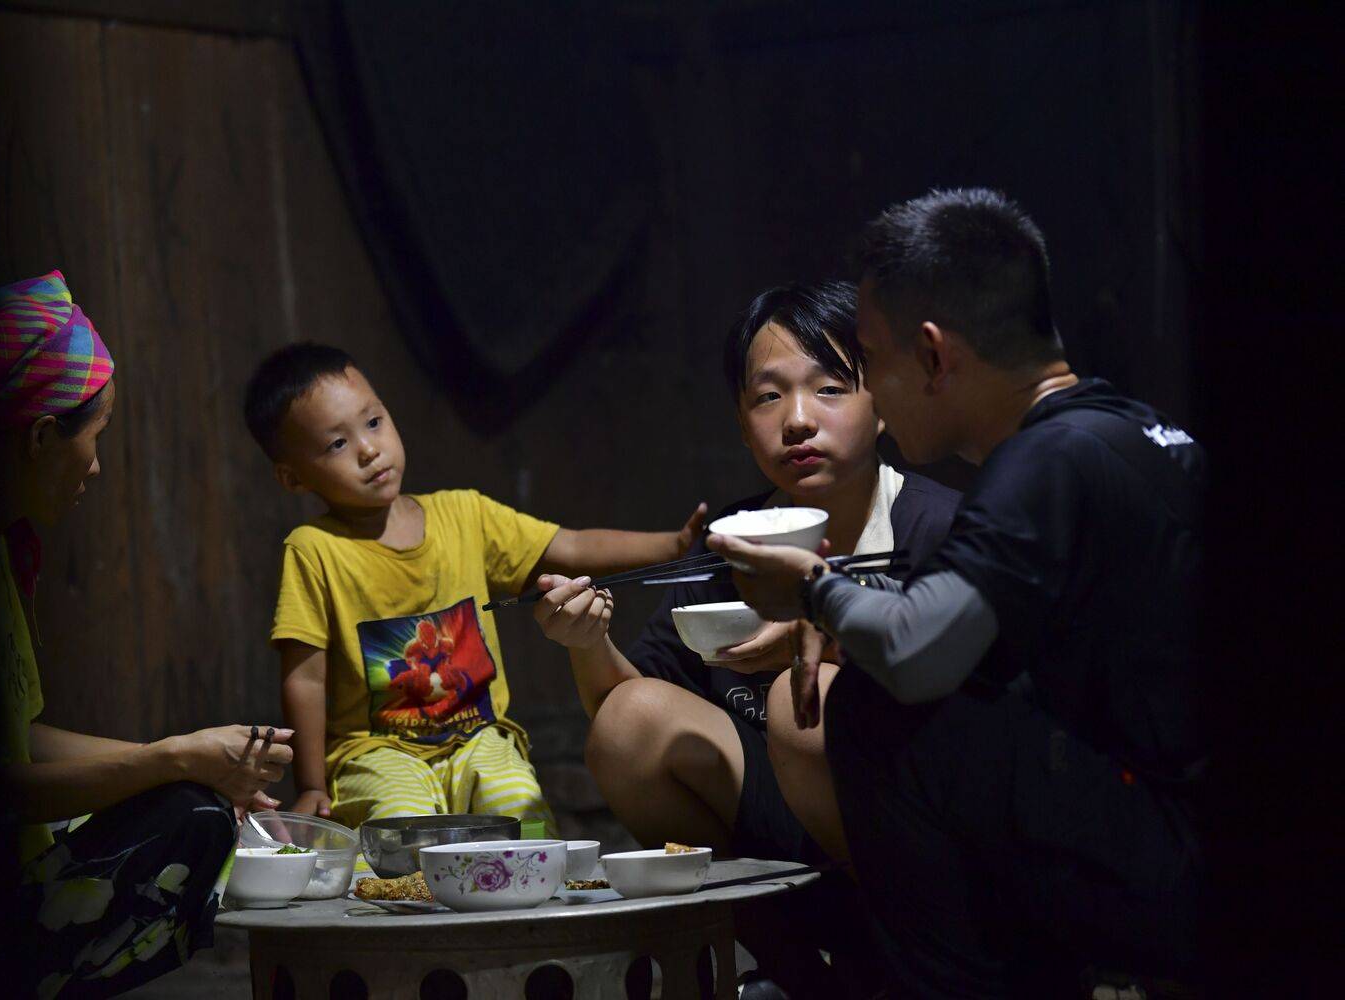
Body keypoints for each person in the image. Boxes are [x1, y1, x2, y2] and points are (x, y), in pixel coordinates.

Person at [709, 189, 1204, 998]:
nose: (871, 391)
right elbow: (970, 628)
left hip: (1176, 863)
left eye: (870, 361)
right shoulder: (1127, 431)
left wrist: (813, 590)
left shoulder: (1045, 462)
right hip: (1173, 829)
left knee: (875, 710)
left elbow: (916, 652)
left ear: (934, 357)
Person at [533, 282, 957, 996]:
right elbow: (628, 715)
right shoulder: (732, 543)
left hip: (924, 844)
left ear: (882, 403)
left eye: (829, 388)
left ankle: (905, 971)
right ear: (740, 422)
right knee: (630, 722)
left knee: (802, 704)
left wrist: (829, 634)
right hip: (783, 841)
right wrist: (584, 640)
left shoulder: (936, 529)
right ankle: (796, 977)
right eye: (767, 397)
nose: (798, 420)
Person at [242, 343, 705, 842]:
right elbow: (306, 678)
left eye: (374, 422)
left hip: (479, 738)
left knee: (518, 809)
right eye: (337, 443)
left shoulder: (464, 514)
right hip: (375, 753)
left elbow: (569, 545)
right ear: (293, 477)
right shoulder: (313, 550)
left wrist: (673, 545)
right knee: (402, 827)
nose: (368, 449)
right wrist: (312, 784)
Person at [0, 271, 294, 999]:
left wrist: (196, 758)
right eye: (93, 439)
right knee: (193, 820)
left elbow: (19, 739)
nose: (96, 466)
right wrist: (175, 760)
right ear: (41, 436)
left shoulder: (0, 552)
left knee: (194, 795)